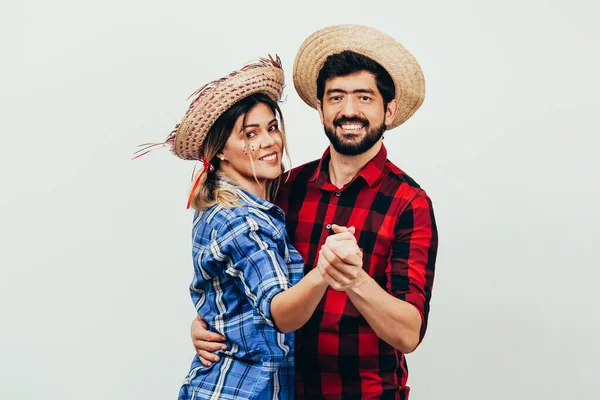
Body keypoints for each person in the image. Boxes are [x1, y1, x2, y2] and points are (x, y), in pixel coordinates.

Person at [191, 25, 439, 399]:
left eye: (364, 98)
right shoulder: (284, 188)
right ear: (320, 108)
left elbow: (408, 333)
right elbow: (242, 273)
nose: (349, 110)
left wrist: (353, 279)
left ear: (388, 111)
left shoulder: (408, 203)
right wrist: (208, 322)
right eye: (336, 97)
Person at [135, 55, 362, 399]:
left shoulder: (238, 206)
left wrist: (207, 324)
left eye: (271, 127)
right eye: (249, 134)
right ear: (221, 150)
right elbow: (279, 313)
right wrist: (324, 270)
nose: (269, 142)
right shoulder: (242, 220)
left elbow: (226, 303)